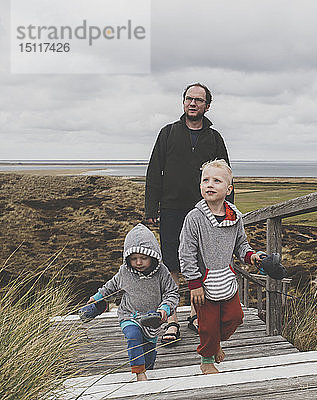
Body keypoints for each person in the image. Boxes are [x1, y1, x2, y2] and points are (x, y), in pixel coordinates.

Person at [144, 83, 234, 345]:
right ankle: (171, 320)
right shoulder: (168, 133)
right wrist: (152, 207)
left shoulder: (214, 138)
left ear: (207, 105)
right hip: (171, 208)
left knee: (201, 262)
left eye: (198, 100)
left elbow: (225, 174)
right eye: (188, 99)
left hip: (204, 211)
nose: (192, 103)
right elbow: (154, 171)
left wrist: (227, 209)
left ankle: (196, 314)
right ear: (183, 102)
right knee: (172, 264)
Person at [178, 159, 262, 374]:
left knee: (235, 317)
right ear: (200, 186)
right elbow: (186, 252)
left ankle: (215, 343)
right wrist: (194, 283)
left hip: (227, 279)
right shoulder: (194, 218)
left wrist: (251, 256)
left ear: (229, 189)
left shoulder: (235, 217)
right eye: (205, 180)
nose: (210, 184)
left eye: (217, 180)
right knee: (207, 325)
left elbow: (240, 244)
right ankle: (206, 359)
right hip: (203, 284)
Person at [83, 223, 180, 381]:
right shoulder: (125, 271)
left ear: (153, 255)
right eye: (134, 258)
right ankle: (139, 373)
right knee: (133, 336)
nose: (139, 262)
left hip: (152, 319)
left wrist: (165, 308)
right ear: (128, 258)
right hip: (129, 315)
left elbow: (172, 292)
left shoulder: (162, 272)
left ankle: (146, 370)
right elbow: (111, 286)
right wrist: (98, 297)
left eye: (143, 258)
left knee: (149, 354)